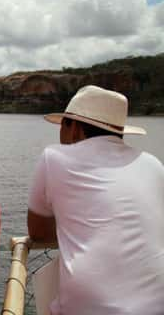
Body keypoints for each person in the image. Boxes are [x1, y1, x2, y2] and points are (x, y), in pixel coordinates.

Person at [27, 85, 164, 315]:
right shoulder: (153, 164)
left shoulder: (54, 157)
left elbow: (39, 233)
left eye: (63, 125)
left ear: (76, 129)